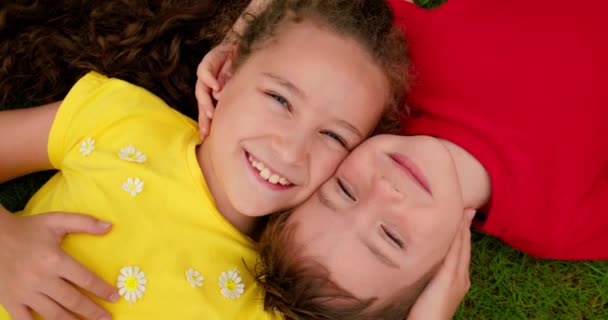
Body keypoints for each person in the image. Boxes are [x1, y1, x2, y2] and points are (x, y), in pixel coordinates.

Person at [195, 0, 608, 318]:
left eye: (344, 189)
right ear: (443, 275)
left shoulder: (388, 74)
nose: (385, 191)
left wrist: (238, 46)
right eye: (391, 237)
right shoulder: (559, 223)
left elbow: (296, 28)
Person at [0, 1, 409, 319]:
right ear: (226, 73)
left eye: (334, 136)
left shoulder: (272, 298)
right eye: (280, 99)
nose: (290, 149)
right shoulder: (123, 119)